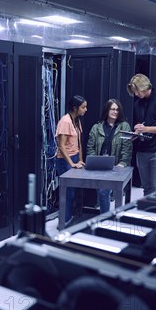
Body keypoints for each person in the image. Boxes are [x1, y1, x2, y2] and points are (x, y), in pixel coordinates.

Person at [127, 73, 156, 196]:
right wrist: (136, 133)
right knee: (146, 187)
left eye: (137, 91)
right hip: (142, 150)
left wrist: (146, 128)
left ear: (144, 86)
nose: (136, 94)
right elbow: (141, 125)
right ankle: (146, 212)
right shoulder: (138, 104)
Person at [86, 99, 132, 214]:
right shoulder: (96, 127)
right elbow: (90, 147)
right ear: (107, 110)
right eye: (112, 109)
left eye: (117, 109)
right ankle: (105, 213)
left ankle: (104, 218)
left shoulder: (124, 126)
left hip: (116, 166)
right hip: (99, 165)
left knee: (103, 192)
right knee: (102, 192)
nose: (115, 112)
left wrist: (123, 163)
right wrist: (93, 161)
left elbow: (127, 147)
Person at [56, 95, 87, 226]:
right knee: (67, 193)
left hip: (74, 158)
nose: (85, 109)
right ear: (75, 108)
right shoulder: (65, 121)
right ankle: (63, 222)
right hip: (64, 160)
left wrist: (80, 160)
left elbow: (78, 142)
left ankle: (69, 218)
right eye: (83, 107)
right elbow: (61, 146)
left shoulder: (77, 121)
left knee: (73, 192)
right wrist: (72, 164)